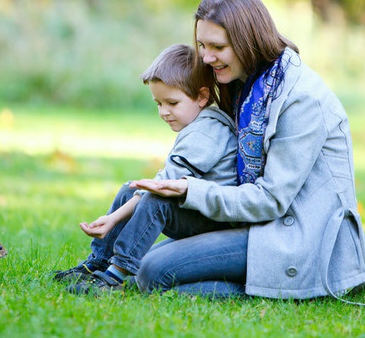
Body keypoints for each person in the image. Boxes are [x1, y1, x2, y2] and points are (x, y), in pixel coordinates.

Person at [132, 0, 365, 299]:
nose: (206, 58)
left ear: (248, 40)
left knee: (155, 273)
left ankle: (268, 288)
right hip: (257, 227)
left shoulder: (300, 99)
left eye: (217, 47)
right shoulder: (249, 85)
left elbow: (271, 200)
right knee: (145, 266)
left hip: (299, 239)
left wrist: (192, 189)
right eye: (202, 45)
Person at [53, 44, 238, 294]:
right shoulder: (198, 126)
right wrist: (116, 214)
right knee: (131, 189)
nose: (164, 112)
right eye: (158, 103)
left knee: (155, 200)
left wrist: (114, 218)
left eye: (172, 102)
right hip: (195, 209)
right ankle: (97, 264)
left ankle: (114, 277)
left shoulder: (207, 132)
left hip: (214, 220)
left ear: (202, 97)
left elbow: (163, 187)